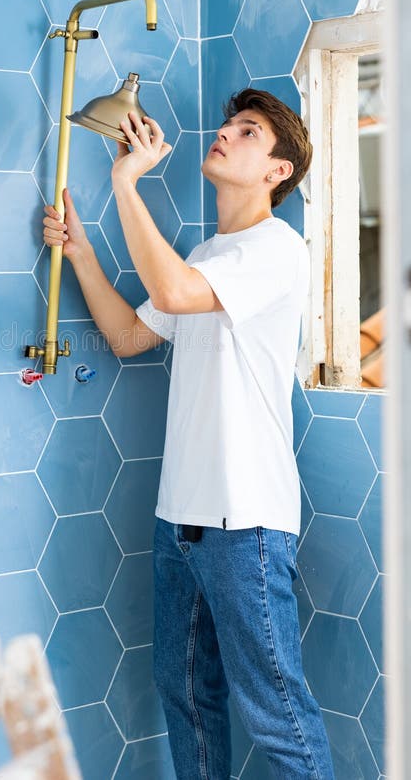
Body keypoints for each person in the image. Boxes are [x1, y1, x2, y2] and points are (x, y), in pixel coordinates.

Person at [42, 88, 335, 779]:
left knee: (279, 715)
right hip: (182, 519)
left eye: (249, 131)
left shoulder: (275, 249)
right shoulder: (208, 254)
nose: (227, 134)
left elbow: (173, 294)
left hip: (247, 525)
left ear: (278, 172)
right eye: (230, 124)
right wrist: (82, 254)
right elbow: (129, 335)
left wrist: (123, 180)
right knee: (189, 702)